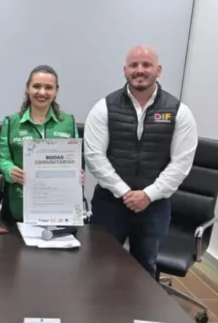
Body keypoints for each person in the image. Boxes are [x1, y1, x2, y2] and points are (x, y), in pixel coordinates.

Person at [84, 45, 198, 277]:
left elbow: (181, 163)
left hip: (153, 207)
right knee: (100, 267)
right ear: (125, 70)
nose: (140, 70)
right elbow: (95, 156)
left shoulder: (179, 112)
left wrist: (148, 195)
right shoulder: (103, 107)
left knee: (144, 269)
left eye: (146, 65)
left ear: (158, 70)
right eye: (134, 65)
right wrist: (125, 192)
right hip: (110, 204)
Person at [0, 65, 82, 222]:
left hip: (59, 205)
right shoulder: (11, 122)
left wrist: (78, 174)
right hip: (19, 203)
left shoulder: (68, 122)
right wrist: (10, 170)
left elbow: (75, 160)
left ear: (56, 91)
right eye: (36, 86)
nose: (42, 92)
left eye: (48, 87)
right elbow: (3, 158)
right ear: (27, 88)